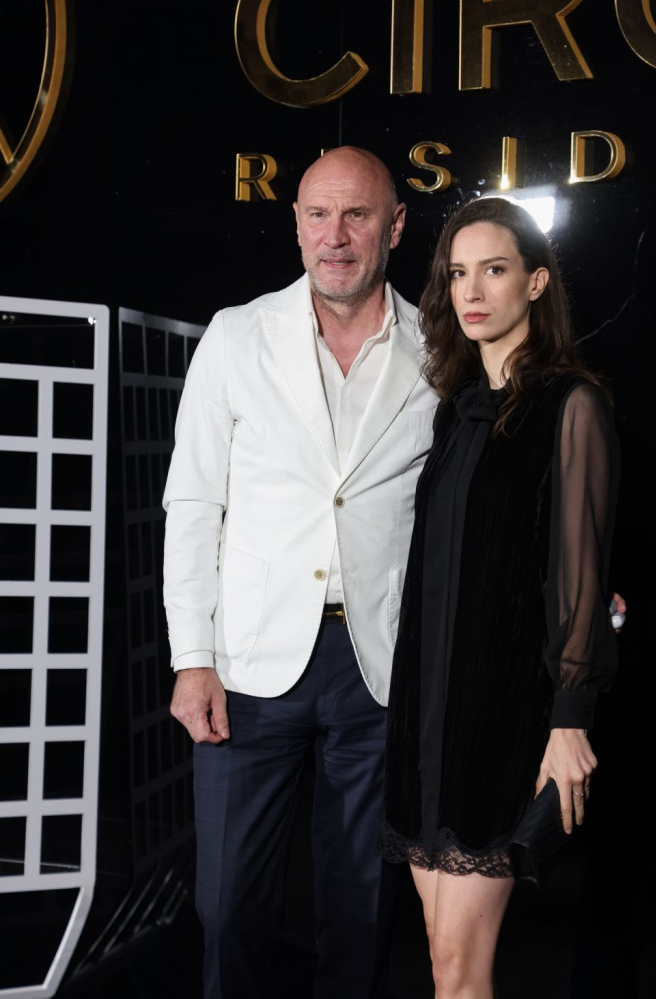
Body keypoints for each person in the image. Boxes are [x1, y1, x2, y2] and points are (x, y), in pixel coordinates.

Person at [162, 145, 440, 999]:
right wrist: (191, 658)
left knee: (361, 907)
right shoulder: (236, 335)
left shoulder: (440, 345)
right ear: (295, 225)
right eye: (318, 214)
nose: (335, 235)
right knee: (228, 906)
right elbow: (194, 502)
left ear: (395, 226)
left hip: (380, 664)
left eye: (356, 215)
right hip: (248, 663)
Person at [380, 196, 621, 999]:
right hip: (425, 717)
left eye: (494, 269)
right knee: (440, 958)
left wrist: (569, 718)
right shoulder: (454, 413)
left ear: (536, 282)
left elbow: (580, 577)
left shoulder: (571, 404)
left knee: (458, 966)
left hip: (504, 716)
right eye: (458, 273)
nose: (472, 291)